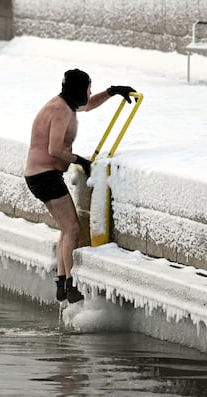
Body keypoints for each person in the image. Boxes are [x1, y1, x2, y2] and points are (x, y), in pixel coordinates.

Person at [24, 69, 135, 303]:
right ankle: (70, 283)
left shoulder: (66, 104)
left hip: (44, 175)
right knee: (72, 229)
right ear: (78, 89)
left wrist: (113, 92)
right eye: (88, 88)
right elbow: (54, 150)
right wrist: (80, 161)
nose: (90, 92)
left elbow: (88, 105)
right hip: (44, 176)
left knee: (67, 229)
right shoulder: (59, 110)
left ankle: (62, 283)